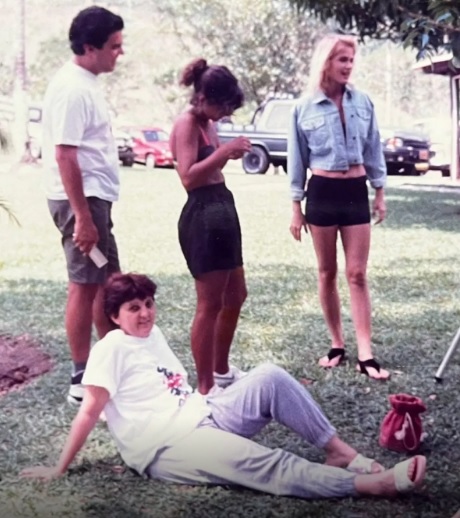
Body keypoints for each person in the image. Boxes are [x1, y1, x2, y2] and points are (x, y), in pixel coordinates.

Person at [20, 272, 427, 501]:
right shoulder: (110, 349)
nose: (145, 314)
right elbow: (89, 412)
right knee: (262, 462)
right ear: (114, 316)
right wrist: (59, 467)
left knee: (269, 375)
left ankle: (341, 454)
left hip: (201, 414)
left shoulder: (151, 334)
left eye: (148, 304)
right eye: (133, 308)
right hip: (164, 447)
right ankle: (370, 485)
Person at [288, 34, 390, 380]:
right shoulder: (303, 108)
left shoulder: (363, 102)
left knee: (357, 274)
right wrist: (296, 207)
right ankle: (337, 344)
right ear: (326, 62)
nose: (348, 66)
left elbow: (374, 147)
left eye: (350, 60)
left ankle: (365, 352)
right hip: (321, 192)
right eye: (341, 59)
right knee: (326, 272)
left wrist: (379, 191)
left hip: (354, 191)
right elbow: (297, 161)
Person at [42, 6, 125, 404]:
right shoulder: (73, 89)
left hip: (93, 201)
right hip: (82, 202)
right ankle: (81, 378)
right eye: (114, 46)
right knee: (85, 284)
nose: (119, 52)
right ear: (90, 47)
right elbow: (65, 155)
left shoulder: (86, 83)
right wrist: (83, 218)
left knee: (106, 281)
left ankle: (109, 366)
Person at [169, 58, 252, 395]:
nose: (225, 114)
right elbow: (188, 176)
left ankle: (221, 370)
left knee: (236, 294)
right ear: (203, 98)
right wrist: (224, 152)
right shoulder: (187, 123)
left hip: (222, 207)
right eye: (223, 106)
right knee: (209, 304)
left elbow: (211, 166)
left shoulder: (207, 122)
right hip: (203, 213)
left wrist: (225, 155)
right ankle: (206, 387)